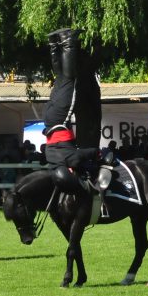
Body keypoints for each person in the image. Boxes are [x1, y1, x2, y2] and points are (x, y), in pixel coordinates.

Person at [41, 27, 104, 193]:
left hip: (58, 119)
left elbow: (87, 152)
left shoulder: (70, 159)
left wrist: (98, 153)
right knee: (61, 77)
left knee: (69, 78)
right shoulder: (53, 160)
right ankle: (54, 43)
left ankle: (68, 40)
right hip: (48, 117)